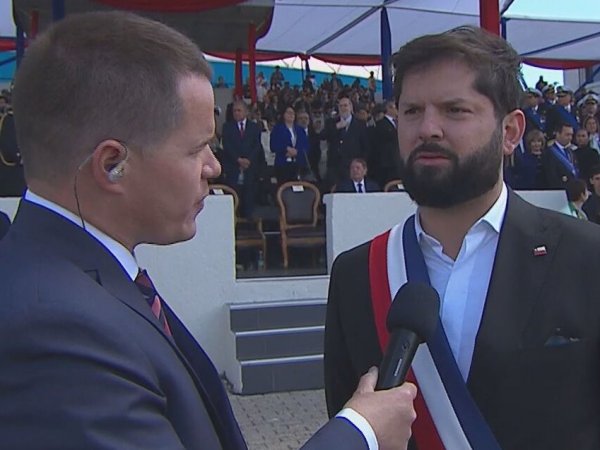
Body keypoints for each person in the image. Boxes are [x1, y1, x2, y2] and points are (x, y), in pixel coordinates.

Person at [0, 11, 418, 450]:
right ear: (112, 165)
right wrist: (362, 433)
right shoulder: (54, 329)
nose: (214, 167)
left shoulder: (74, 279)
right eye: (197, 147)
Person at [325, 25, 600, 450]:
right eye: (411, 111)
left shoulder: (587, 257)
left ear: (510, 132)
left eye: (454, 110)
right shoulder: (356, 275)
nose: (427, 129)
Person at [221, 100, 263, 218]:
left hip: (250, 168)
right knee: (234, 196)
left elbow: (257, 146)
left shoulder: (254, 127)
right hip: (233, 166)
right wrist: (238, 159)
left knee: (249, 196)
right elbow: (227, 146)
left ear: (246, 112)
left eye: (239, 110)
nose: (236, 113)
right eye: (234, 111)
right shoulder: (227, 127)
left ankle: (249, 222)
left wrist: (248, 160)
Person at [270, 106, 309, 184]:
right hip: (282, 165)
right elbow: (273, 145)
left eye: (293, 113)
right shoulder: (278, 129)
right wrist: (286, 149)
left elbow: (306, 146)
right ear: (283, 115)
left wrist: (296, 152)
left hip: (298, 165)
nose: (291, 115)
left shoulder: (300, 130)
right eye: (288, 112)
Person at [542, 122, 578, 189]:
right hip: (559, 190)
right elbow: (551, 176)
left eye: (571, 135)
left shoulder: (571, 152)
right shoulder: (549, 153)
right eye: (567, 135)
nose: (570, 138)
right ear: (558, 134)